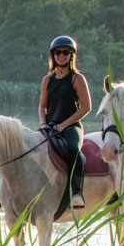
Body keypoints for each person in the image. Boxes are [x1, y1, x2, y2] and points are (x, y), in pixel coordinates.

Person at [39, 35, 92, 208]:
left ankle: (76, 192)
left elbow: (86, 107)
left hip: (70, 127)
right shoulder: (47, 80)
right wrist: (43, 124)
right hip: (50, 126)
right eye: (58, 52)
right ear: (53, 56)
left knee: (73, 149)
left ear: (71, 55)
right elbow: (42, 106)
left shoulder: (77, 79)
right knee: (29, 145)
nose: (61, 56)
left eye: (65, 52)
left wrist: (64, 125)